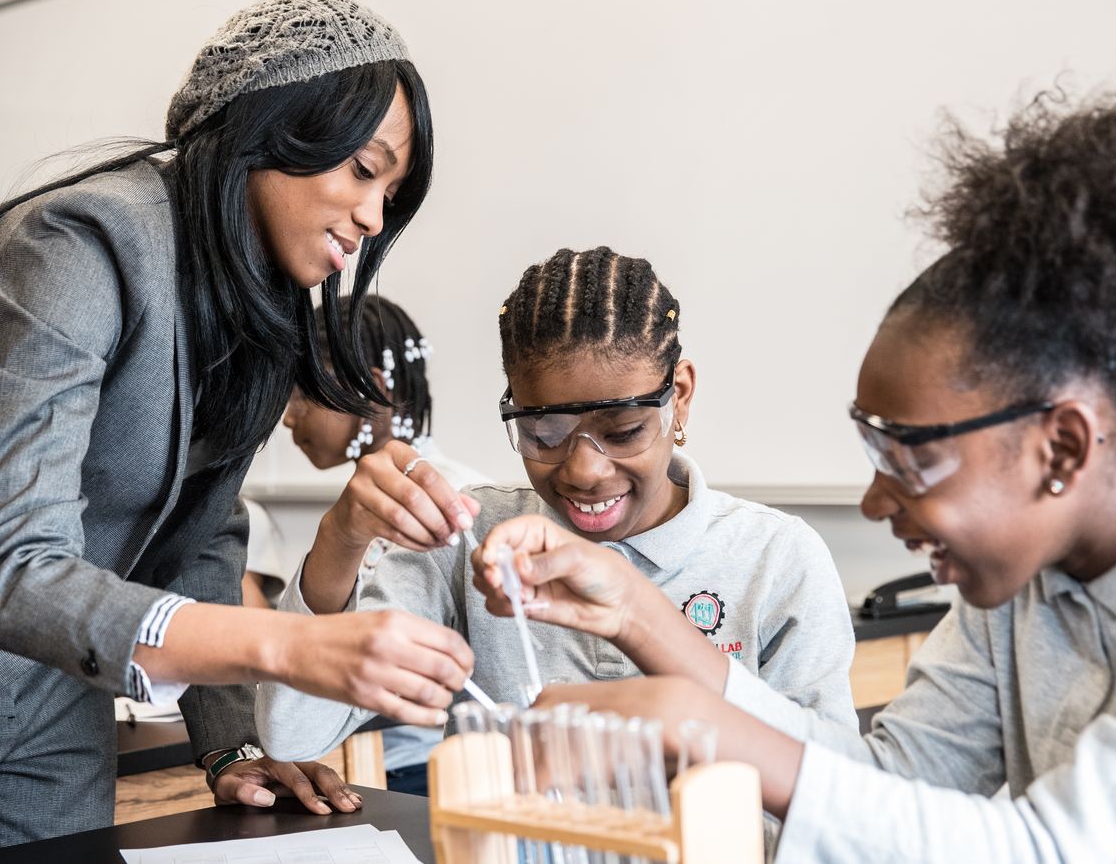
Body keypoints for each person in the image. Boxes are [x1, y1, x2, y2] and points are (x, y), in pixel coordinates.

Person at [0, 0, 473, 863]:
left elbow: (202, 524)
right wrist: (295, 645)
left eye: (391, 192)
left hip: (60, 662)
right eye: (363, 170)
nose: (373, 217)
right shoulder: (79, 243)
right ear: (268, 133)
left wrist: (231, 742)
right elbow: (11, 567)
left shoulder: (258, 296)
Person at [475, 93, 1116, 861]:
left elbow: (1055, 849)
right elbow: (889, 781)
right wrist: (640, 613)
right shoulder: (1020, 587)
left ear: (1062, 448)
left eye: (905, 457)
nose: (875, 501)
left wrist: (703, 726)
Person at [258, 247, 858, 808]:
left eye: (623, 432)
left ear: (679, 396)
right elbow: (293, 733)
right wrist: (340, 539)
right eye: (543, 436)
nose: (585, 470)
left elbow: (842, 792)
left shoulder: (775, 559)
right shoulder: (466, 540)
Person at [249, 293, 488, 794]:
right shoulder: (357, 512)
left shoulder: (446, 509)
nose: (287, 417)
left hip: (421, 776)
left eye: (301, 395)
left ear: (369, 389)